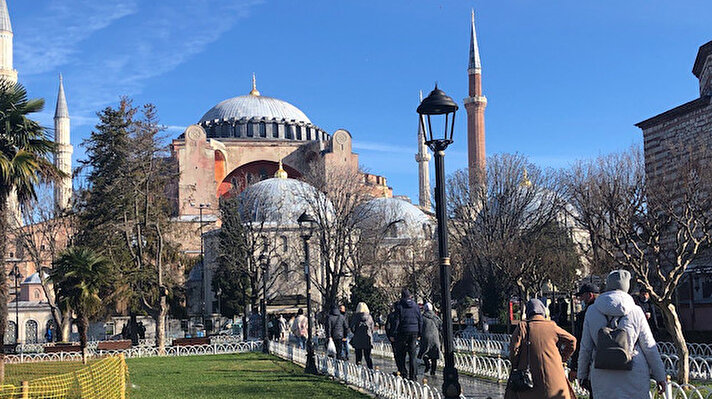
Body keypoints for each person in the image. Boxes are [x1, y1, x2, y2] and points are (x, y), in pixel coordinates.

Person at [577, 270, 666, 399]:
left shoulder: (591, 311)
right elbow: (649, 347)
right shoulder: (636, 311)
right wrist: (660, 376)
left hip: (602, 374)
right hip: (634, 373)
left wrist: (582, 374)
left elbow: (585, 347)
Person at [504, 298, 577, 399]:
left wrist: (517, 364)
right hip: (554, 379)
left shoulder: (523, 327)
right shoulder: (552, 326)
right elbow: (572, 340)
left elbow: (514, 350)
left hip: (530, 379)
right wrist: (562, 358)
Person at [569, 282, 600, 386]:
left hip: (593, 363)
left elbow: (582, 343)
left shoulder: (585, 315)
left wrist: (575, 367)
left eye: (582, 296)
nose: (581, 299)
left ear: (590, 295)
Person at [393, 289, 422, 380]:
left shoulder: (400, 306)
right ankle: (413, 376)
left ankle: (403, 372)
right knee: (412, 354)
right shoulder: (416, 306)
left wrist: (394, 332)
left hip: (403, 331)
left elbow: (397, 321)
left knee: (401, 353)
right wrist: (419, 333)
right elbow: (420, 320)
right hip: (414, 332)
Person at [418, 303, 442, 376]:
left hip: (425, 337)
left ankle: (427, 365)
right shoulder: (436, 317)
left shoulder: (422, 317)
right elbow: (440, 327)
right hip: (435, 337)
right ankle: (433, 371)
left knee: (424, 353)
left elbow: (419, 327)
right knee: (434, 355)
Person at [350, 302, 375, 369]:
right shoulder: (369, 317)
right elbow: (372, 328)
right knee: (368, 356)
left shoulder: (355, 317)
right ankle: (371, 370)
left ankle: (359, 369)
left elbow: (352, 327)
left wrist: (356, 332)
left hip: (358, 338)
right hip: (367, 338)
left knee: (358, 356)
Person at [384, 302, 400, 371]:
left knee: (396, 354)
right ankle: (403, 369)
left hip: (394, 337)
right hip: (402, 337)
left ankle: (400, 369)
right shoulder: (403, 315)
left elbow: (387, 327)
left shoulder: (391, 315)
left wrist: (390, 336)